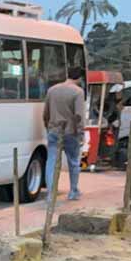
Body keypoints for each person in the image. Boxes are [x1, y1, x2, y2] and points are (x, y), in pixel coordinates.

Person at [43, 65, 86, 201]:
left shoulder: (52, 90)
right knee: (73, 162)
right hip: (70, 132)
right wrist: (80, 134)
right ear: (80, 78)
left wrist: (48, 127)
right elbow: (79, 115)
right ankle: (73, 191)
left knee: (51, 162)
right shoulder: (78, 92)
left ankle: (51, 193)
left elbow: (46, 113)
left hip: (54, 130)